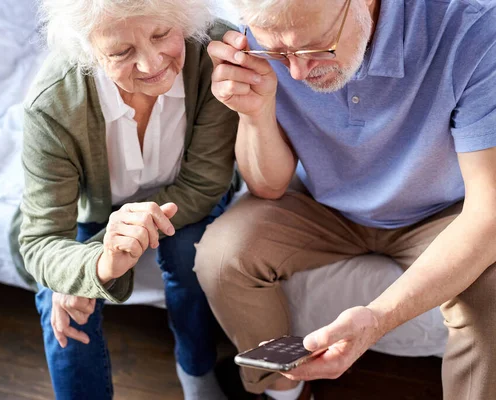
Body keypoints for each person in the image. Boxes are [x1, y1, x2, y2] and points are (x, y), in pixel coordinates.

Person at [195, 0, 496, 399]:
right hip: (322, 204)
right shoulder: (250, 31)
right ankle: (283, 390)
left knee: (490, 301)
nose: (298, 72)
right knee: (221, 257)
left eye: (316, 47)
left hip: (443, 211)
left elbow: (488, 211)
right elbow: (268, 187)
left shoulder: (473, 28)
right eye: (280, 54)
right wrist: (255, 112)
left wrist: (377, 318)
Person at [17, 0, 238, 398]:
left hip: (186, 196)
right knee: (63, 307)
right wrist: (91, 266)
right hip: (98, 213)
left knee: (189, 256)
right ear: (87, 49)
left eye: (162, 35)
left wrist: (115, 244)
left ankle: (197, 372)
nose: (151, 64)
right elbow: (40, 240)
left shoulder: (215, 53)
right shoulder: (51, 105)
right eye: (121, 52)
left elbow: (205, 183)